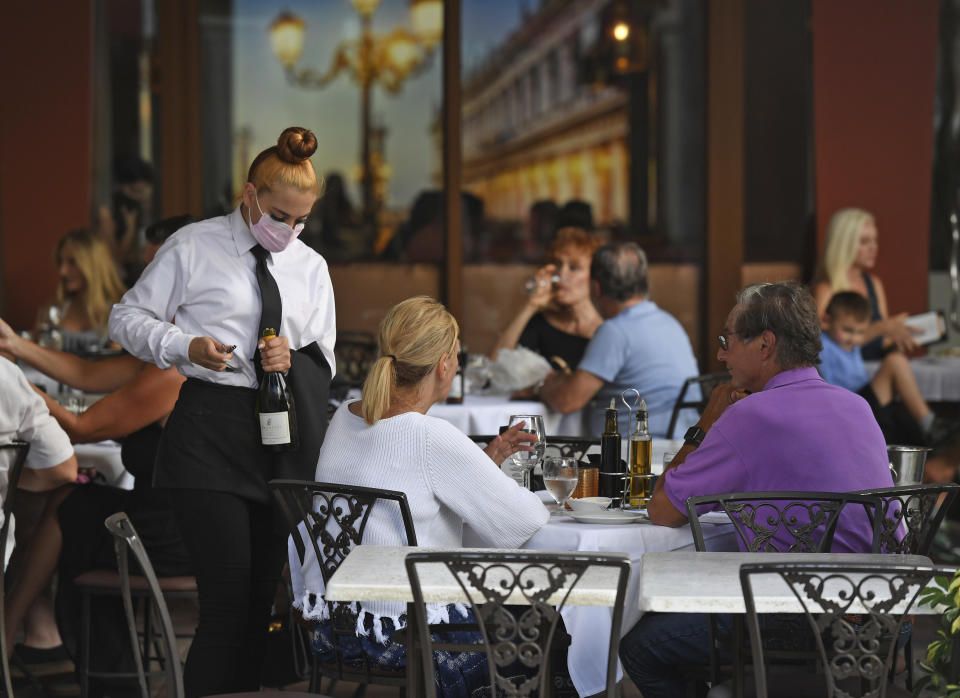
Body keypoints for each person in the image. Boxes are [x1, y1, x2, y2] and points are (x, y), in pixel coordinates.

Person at [109, 126, 336, 697]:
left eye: (300, 220)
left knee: (263, 601)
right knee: (227, 599)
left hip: (278, 436)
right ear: (251, 194)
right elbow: (125, 319)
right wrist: (185, 346)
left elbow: (325, 358)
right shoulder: (194, 245)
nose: (287, 230)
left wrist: (292, 358)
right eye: (279, 214)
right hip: (209, 429)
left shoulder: (310, 266)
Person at [618, 282, 893, 698]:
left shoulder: (749, 415)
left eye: (727, 339)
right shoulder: (857, 405)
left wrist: (707, 420)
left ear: (765, 345)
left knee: (641, 648)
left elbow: (662, 511)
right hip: (887, 616)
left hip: (804, 623)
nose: (720, 354)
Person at [289, 296, 548, 696]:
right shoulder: (429, 436)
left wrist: (486, 460)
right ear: (444, 364)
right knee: (545, 630)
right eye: (457, 356)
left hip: (335, 633)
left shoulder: (343, 416)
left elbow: (404, 483)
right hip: (409, 639)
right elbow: (521, 522)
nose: (458, 365)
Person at [0, 215, 192, 686]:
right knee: (67, 499)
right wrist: (16, 346)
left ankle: (11, 634)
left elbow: (84, 429)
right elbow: (87, 374)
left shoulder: (176, 370)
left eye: (155, 272)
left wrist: (21, 395)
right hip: (166, 513)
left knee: (69, 501)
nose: (145, 285)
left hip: (177, 532)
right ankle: (25, 631)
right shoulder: (166, 353)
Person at [539, 241, 700, 437]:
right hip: (679, 442)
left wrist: (541, 384)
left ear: (596, 288)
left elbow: (568, 401)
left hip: (638, 454)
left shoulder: (616, 331)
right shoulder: (668, 322)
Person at [819, 291, 954, 447]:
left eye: (860, 332)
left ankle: (929, 429)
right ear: (826, 320)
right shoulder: (822, 345)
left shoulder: (848, 343)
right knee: (894, 362)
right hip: (847, 406)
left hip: (862, 400)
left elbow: (863, 337)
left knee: (896, 363)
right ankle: (930, 424)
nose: (854, 338)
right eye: (847, 330)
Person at [812, 207, 920, 359]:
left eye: (875, 240)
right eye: (864, 241)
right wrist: (883, 327)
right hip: (845, 374)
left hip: (877, 365)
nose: (873, 247)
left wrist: (901, 336)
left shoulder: (874, 284)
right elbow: (821, 347)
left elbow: (883, 341)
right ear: (843, 245)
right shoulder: (825, 289)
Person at [491, 227, 602, 371]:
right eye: (557, 264)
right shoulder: (542, 323)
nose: (561, 273)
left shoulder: (606, 331)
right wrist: (531, 305)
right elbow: (494, 366)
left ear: (594, 277)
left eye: (574, 268)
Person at [38, 229, 126, 354]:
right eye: (61, 262)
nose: (62, 271)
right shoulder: (54, 309)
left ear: (94, 265)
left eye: (72, 262)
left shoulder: (122, 311)